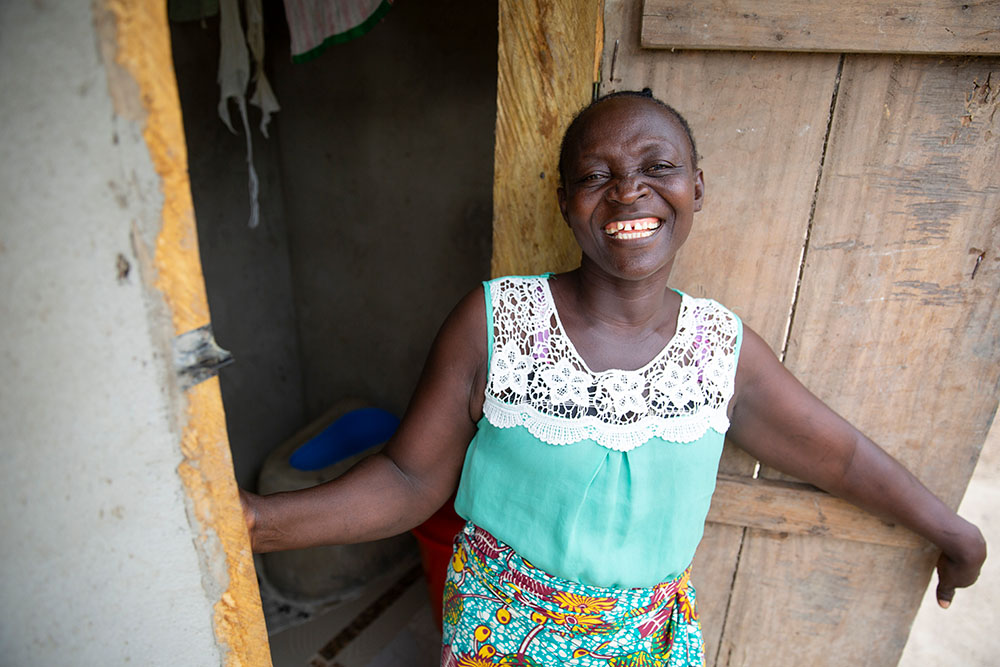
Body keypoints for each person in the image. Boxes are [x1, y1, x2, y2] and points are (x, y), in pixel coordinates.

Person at [241, 90, 987, 666]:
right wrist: (257, 523)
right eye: (596, 175)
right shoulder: (497, 321)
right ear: (566, 201)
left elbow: (839, 455)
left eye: (657, 167)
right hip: (503, 633)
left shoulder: (719, 348)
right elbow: (408, 477)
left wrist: (951, 530)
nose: (629, 191)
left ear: (697, 185)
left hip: (648, 643)